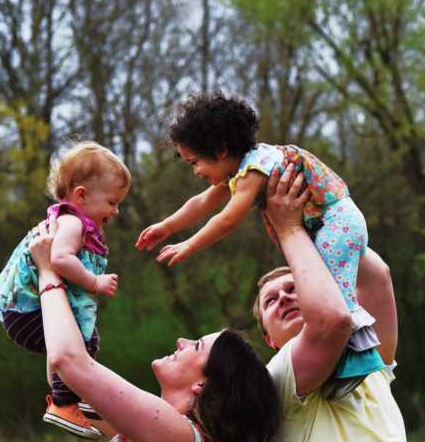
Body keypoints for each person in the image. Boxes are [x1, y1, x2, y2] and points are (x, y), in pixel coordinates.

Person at [27, 222, 281, 442]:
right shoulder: (158, 431)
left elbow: (70, 362)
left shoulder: (178, 436)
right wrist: (69, 287)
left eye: (196, 346)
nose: (181, 342)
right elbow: (65, 384)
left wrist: (48, 272)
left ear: (203, 383)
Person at [137, 91, 384, 398]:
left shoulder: (255, 170)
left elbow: (227, 220)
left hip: (336, 225)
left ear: (221, 150)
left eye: (195, 161)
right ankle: (341, 362)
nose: (196, 171)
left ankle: (354, 363)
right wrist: (167, 226)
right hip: (325, 227)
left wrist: (189, 245)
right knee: (326, 297)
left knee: (335, 299)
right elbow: (201, 202)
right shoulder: (241, 169)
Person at [253, 164, 420, 442]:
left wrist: (326, 213)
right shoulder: (280, 377)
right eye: (271, 301)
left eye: (293, 288)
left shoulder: (369, 357)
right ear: (268, 338)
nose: (283, 297)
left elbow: (377, 276)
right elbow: (331, 320)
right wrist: (288, 228)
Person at [0, 141, 129, 440]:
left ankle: (77, 396)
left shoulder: (74, 222)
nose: (116, 211)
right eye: (113, 202)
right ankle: (65, 403)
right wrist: (94, 282)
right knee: (79, 344)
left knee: (84, 342)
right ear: (81, 195)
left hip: (27, 313)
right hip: (27, 312)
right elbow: (59, 259)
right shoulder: (72, 224)